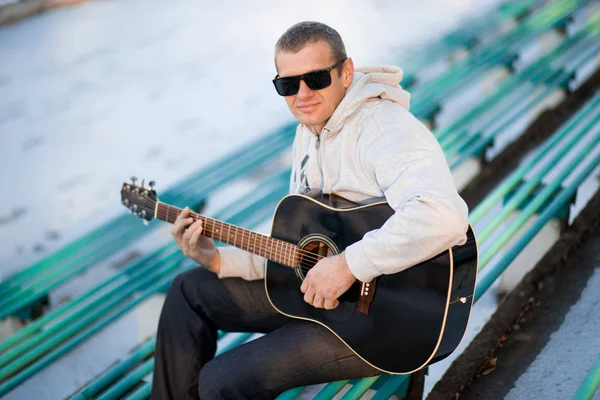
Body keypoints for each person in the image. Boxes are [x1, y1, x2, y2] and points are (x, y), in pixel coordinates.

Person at [151, 21, 469, 400]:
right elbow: (300, 249)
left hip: (383, 323)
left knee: (222, 381)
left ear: (345, 72)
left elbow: (443, 214)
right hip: (321, 300)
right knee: (188, 289)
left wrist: (350, 265)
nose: (302, 94)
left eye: (316, 78)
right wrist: (219, 259)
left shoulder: (385, 129)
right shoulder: (309, 132)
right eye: (287, 85)